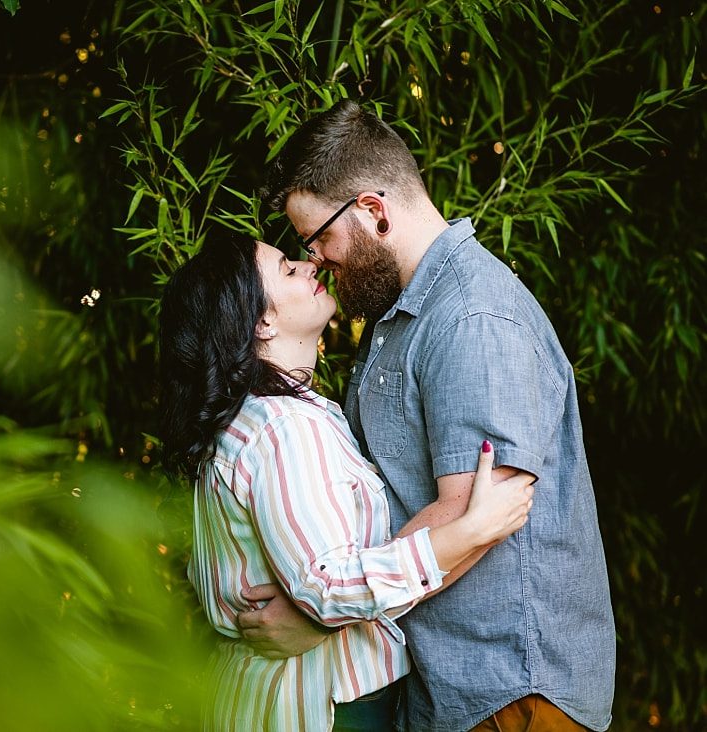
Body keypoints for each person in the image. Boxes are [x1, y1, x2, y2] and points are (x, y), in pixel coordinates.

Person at [240, 100, 616, 732]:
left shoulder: (474, 317)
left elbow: (475, 515)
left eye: (318, 239)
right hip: (447, 683)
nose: (317, 260)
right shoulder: (396, 317)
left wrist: (321, 612)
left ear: (373, 211)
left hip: (510, 690)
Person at [157, 233, 535, 731]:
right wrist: (471, 529)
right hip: (323, 707)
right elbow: (327, 584)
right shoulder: (282, 429)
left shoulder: (253, 423)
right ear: (261, 321)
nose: (309, 265)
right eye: (288, 270)